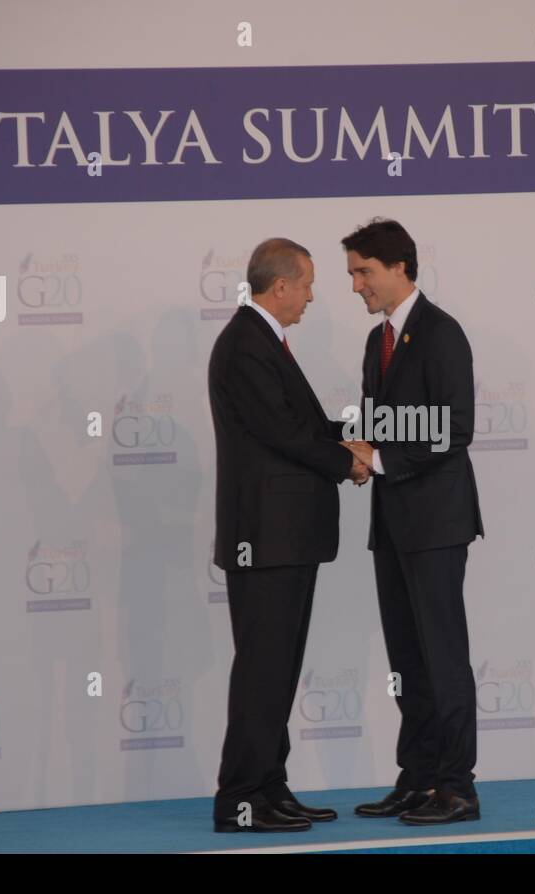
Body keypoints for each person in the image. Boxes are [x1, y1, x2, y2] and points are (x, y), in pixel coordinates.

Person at [208, 237, 369, 833]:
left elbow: (299, 424)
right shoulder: (246, 345)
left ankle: (269, 790)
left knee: (274, 670)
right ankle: (242, 801)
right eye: (306, 285)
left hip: (283, 538)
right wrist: (345, 461)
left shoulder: (260, 342)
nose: (310, 297)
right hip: (266, 537)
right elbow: (282, 432)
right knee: (262, 671)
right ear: (280, 286)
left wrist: (358, 434)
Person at [338, 219, 486, 825]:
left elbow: (456, 427)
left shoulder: (443, 333)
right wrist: (356, 450)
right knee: (408, 661)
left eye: (363, 272)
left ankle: (458, 788)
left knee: (442, 656)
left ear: (400, 267)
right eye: (351, 274)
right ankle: (419, 779)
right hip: (392, 524)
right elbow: (385, 428)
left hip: (437, 524)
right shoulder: (379, 341)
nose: (355, 286)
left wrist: (381, 457)